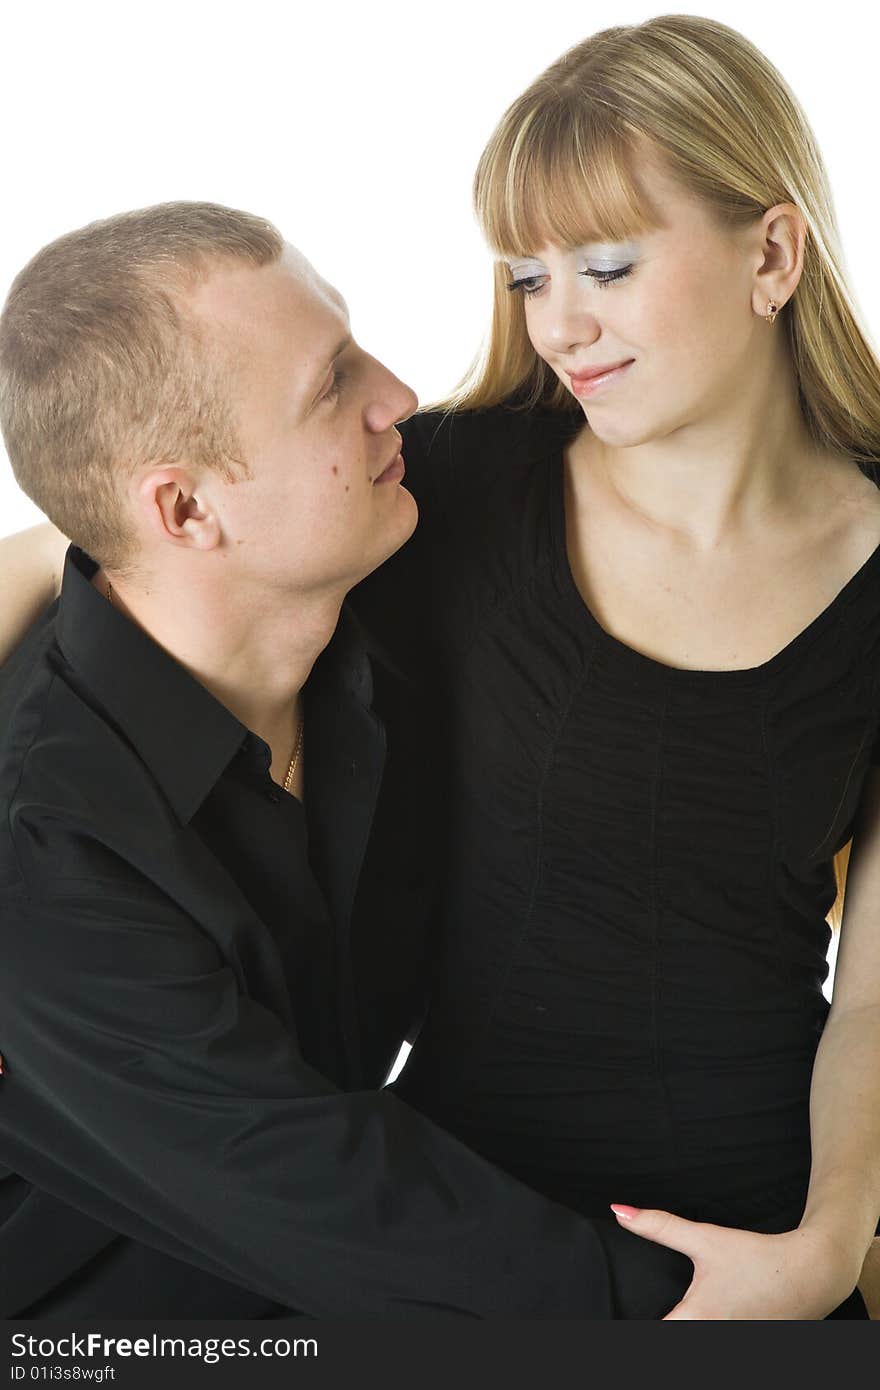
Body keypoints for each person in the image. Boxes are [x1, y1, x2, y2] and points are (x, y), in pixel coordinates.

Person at [2, 15, 877, 1318]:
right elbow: (114, 539)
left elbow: (869, 978)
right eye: (530, 275)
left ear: (773, 251)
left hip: (721, 1209)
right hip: (395, 1237)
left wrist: (828, 1245)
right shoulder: (457, 496)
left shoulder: (392, 508)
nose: (561, 324)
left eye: (612, 264)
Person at [0, 201, 695, 1320]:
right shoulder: (49, 855)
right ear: (183, 508)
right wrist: (738, 1312)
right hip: (107, 1323)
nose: (397, 398)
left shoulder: (379, 545)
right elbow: (338, 1200)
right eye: (330, 385)